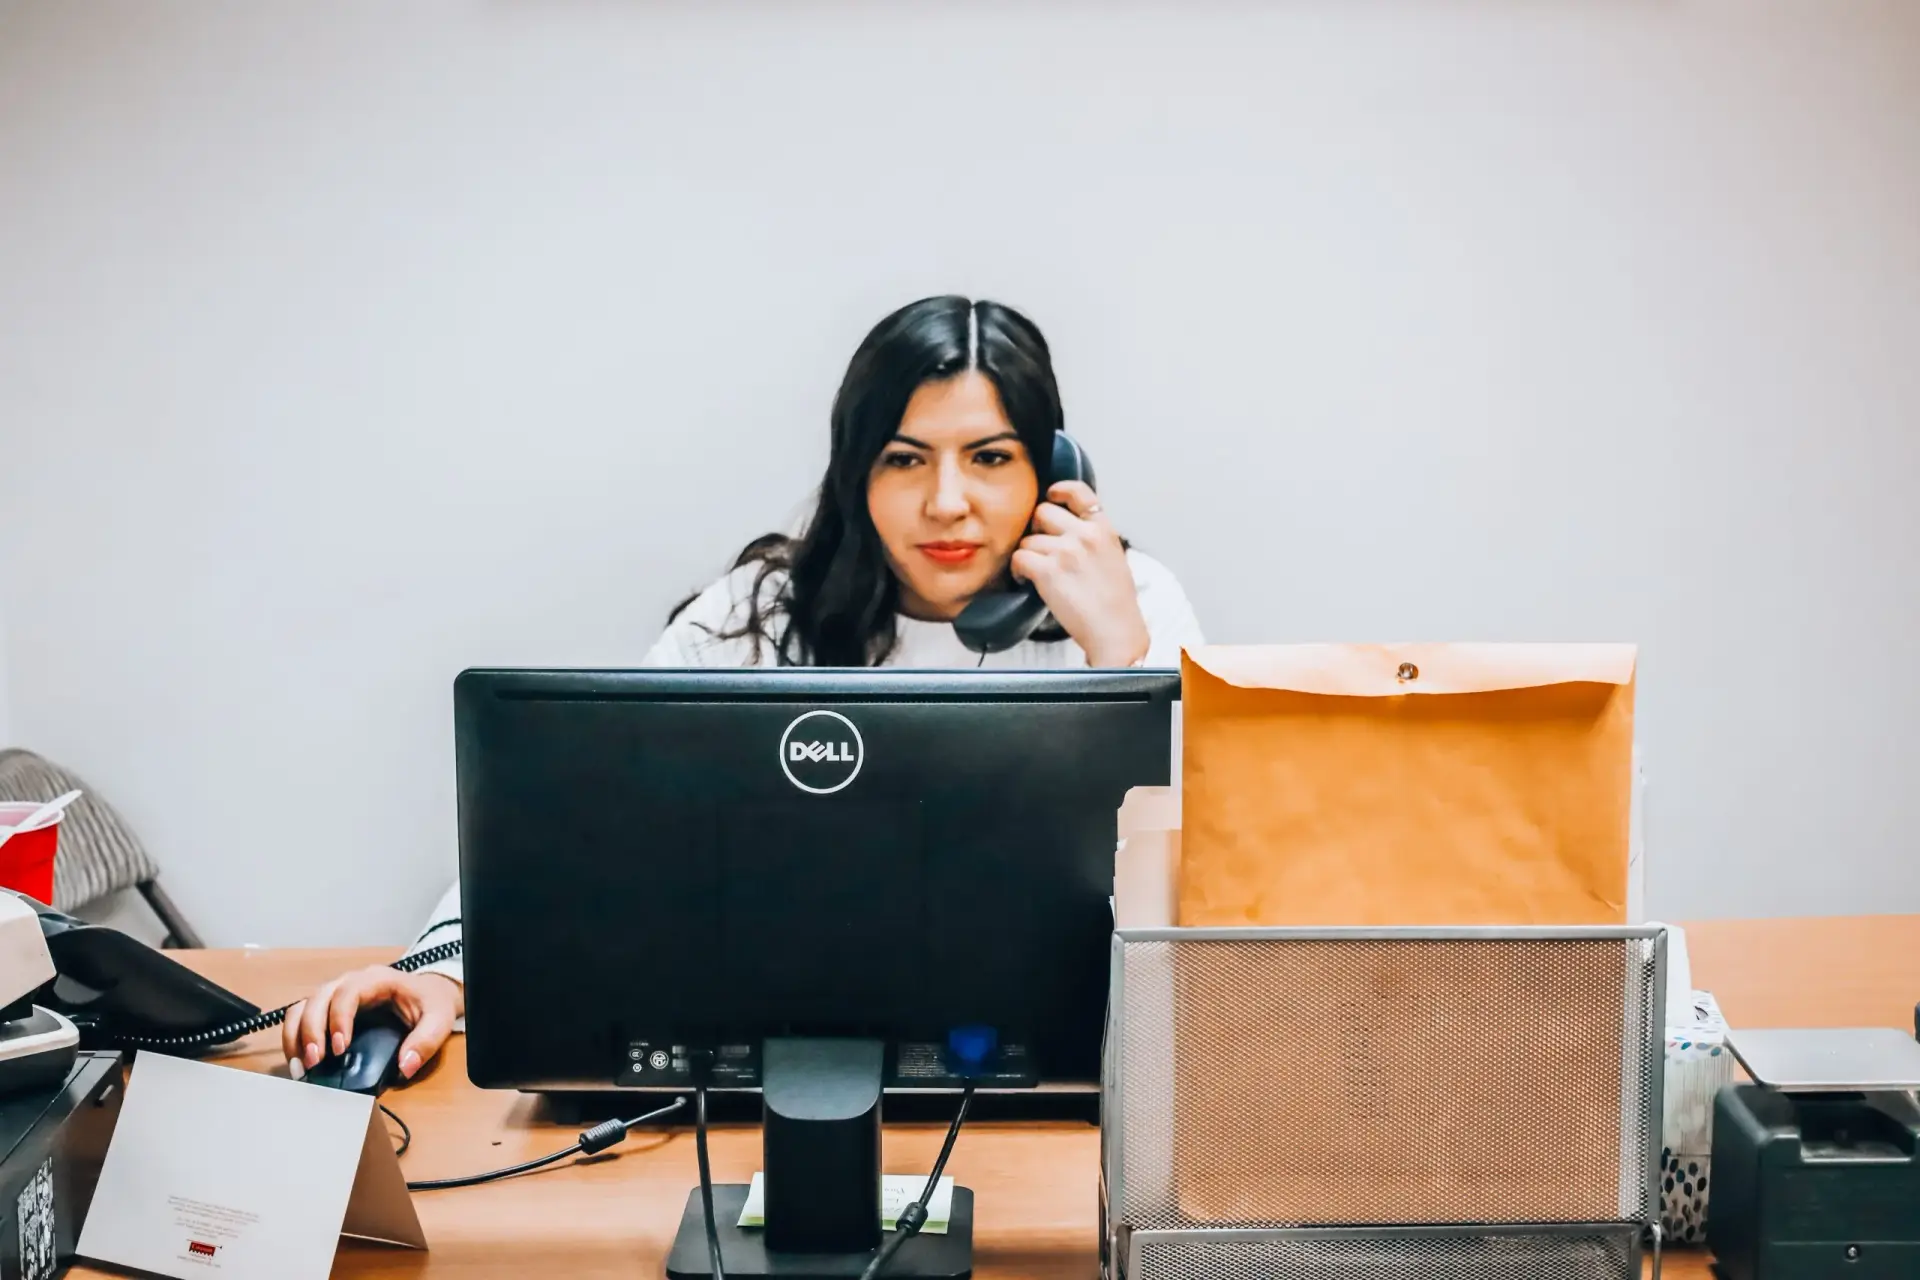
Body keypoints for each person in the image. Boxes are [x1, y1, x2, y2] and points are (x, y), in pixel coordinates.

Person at [283, 295, 1205, 1081]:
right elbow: (573, 821)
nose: (947, 502)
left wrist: (1122, 659)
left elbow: (1210, 888)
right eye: (904, 457)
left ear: (1052, 472)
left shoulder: (1133, 605)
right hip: (764, 1073)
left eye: (991, 457)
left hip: (1063, 1074)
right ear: (856, 471)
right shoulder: (758, 615)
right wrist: (440, 975)